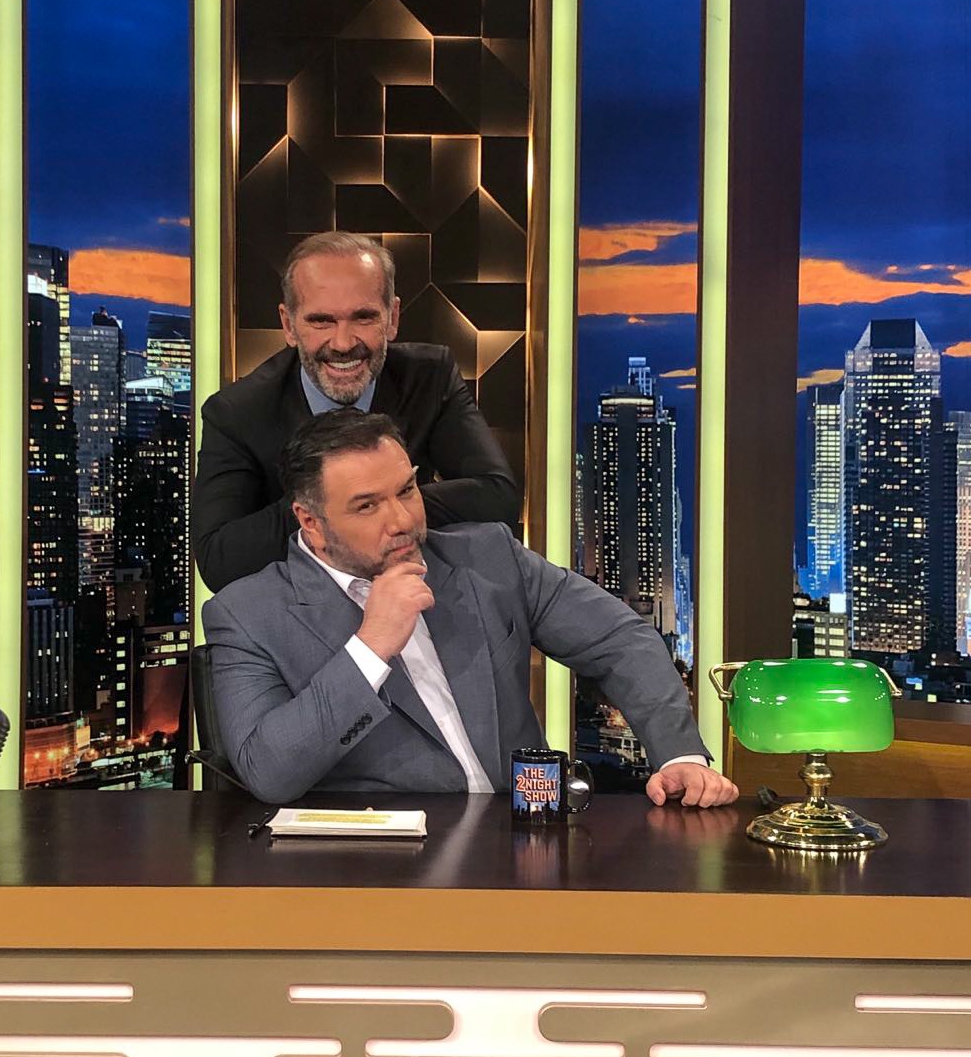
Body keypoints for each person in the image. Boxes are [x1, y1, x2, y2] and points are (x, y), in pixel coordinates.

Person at [203, 408, 739, 809]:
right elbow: (269, 772)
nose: (402, 521)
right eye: (367, 506)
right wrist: (370, 648)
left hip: (526, 842)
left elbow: (621, 640)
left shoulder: (490, 558)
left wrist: (680, 757)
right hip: (380, 877)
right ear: (311, 522)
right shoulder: (248, 614)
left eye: (406, 490)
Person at [192, 230, 519, 591]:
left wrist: (377, 508)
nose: (343, 343)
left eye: (363, 317)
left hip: (414, 591)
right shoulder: (237, 412)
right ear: (289, 325)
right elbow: (219, 559)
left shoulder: (429, 377)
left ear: (392, 318)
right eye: (321, 321)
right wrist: (336, 507)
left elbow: (496, 497)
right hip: (302, 606)